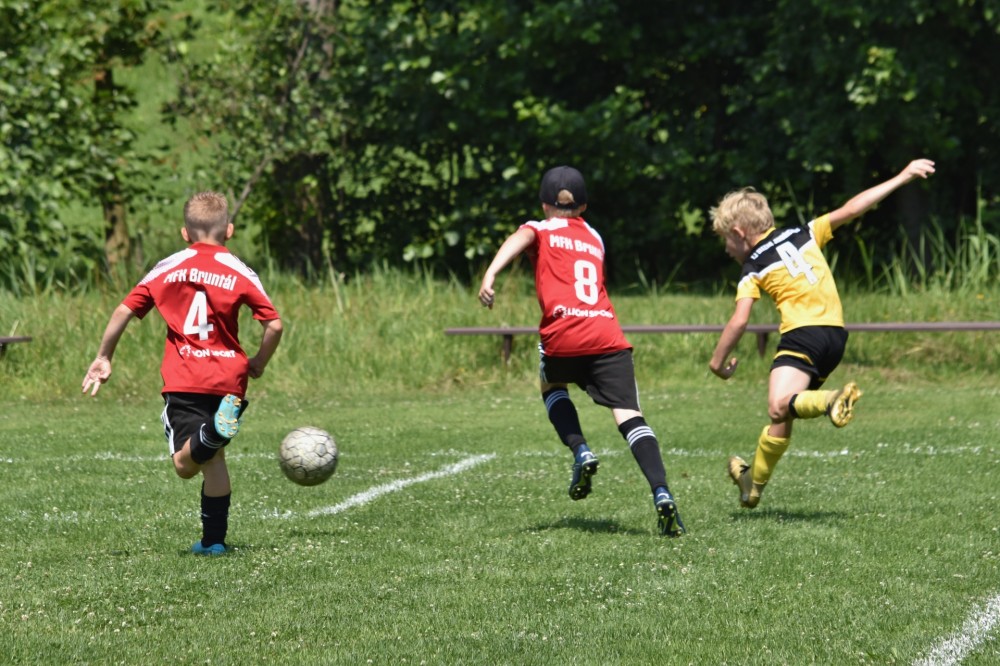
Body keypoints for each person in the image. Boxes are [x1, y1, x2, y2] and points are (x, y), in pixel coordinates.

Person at [709, 159, 936, 509]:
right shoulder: (805, 232)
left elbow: (739, 321)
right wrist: (902, 176)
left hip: (803, 335)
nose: (726, 249)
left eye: (725, 240)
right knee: (783, 414)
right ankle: (751, 486)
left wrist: (716, 362)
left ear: (739, 233)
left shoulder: (753, 266)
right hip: (834, 337)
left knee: (778, 404)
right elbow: (853, 208)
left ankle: (831, 401)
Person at [478, 166, 685, 537]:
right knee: (630, 415)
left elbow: (520, 237)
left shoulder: (540, 228)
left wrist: (490, 274)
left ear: (544, 204)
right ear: (584, 205)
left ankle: (580, 449)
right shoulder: (595, 237)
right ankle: (661, 492)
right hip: (606, 333)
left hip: (564, 333)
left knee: (551, 385)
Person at [82, 191, 283, 555]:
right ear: (229, 230)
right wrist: (258, 362)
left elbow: (124, 310)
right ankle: (213, 542)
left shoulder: (169, 266)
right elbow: (274, 325)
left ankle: (211, 433)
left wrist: (103, 356)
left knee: (184, 465)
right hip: (230, 380)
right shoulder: (241, 271)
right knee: (214, 457)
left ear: (185, 233)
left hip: (187, 377)